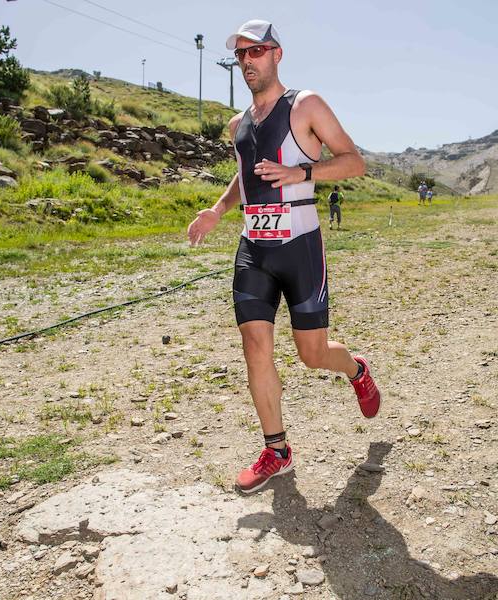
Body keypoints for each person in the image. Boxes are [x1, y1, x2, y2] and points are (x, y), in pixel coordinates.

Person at [186, 19, 381, 494]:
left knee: (312, 354)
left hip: (301, 248)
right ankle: (277, 450)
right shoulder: (239, 125)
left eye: (256, 52)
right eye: (241, 56)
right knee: (255, 348)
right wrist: (218, 209)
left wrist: (301, 172)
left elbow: (353, 161)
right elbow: (244, 176)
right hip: (254, 249)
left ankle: (356, 369)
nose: (247, 62)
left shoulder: (305, 106)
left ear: (276, 54)